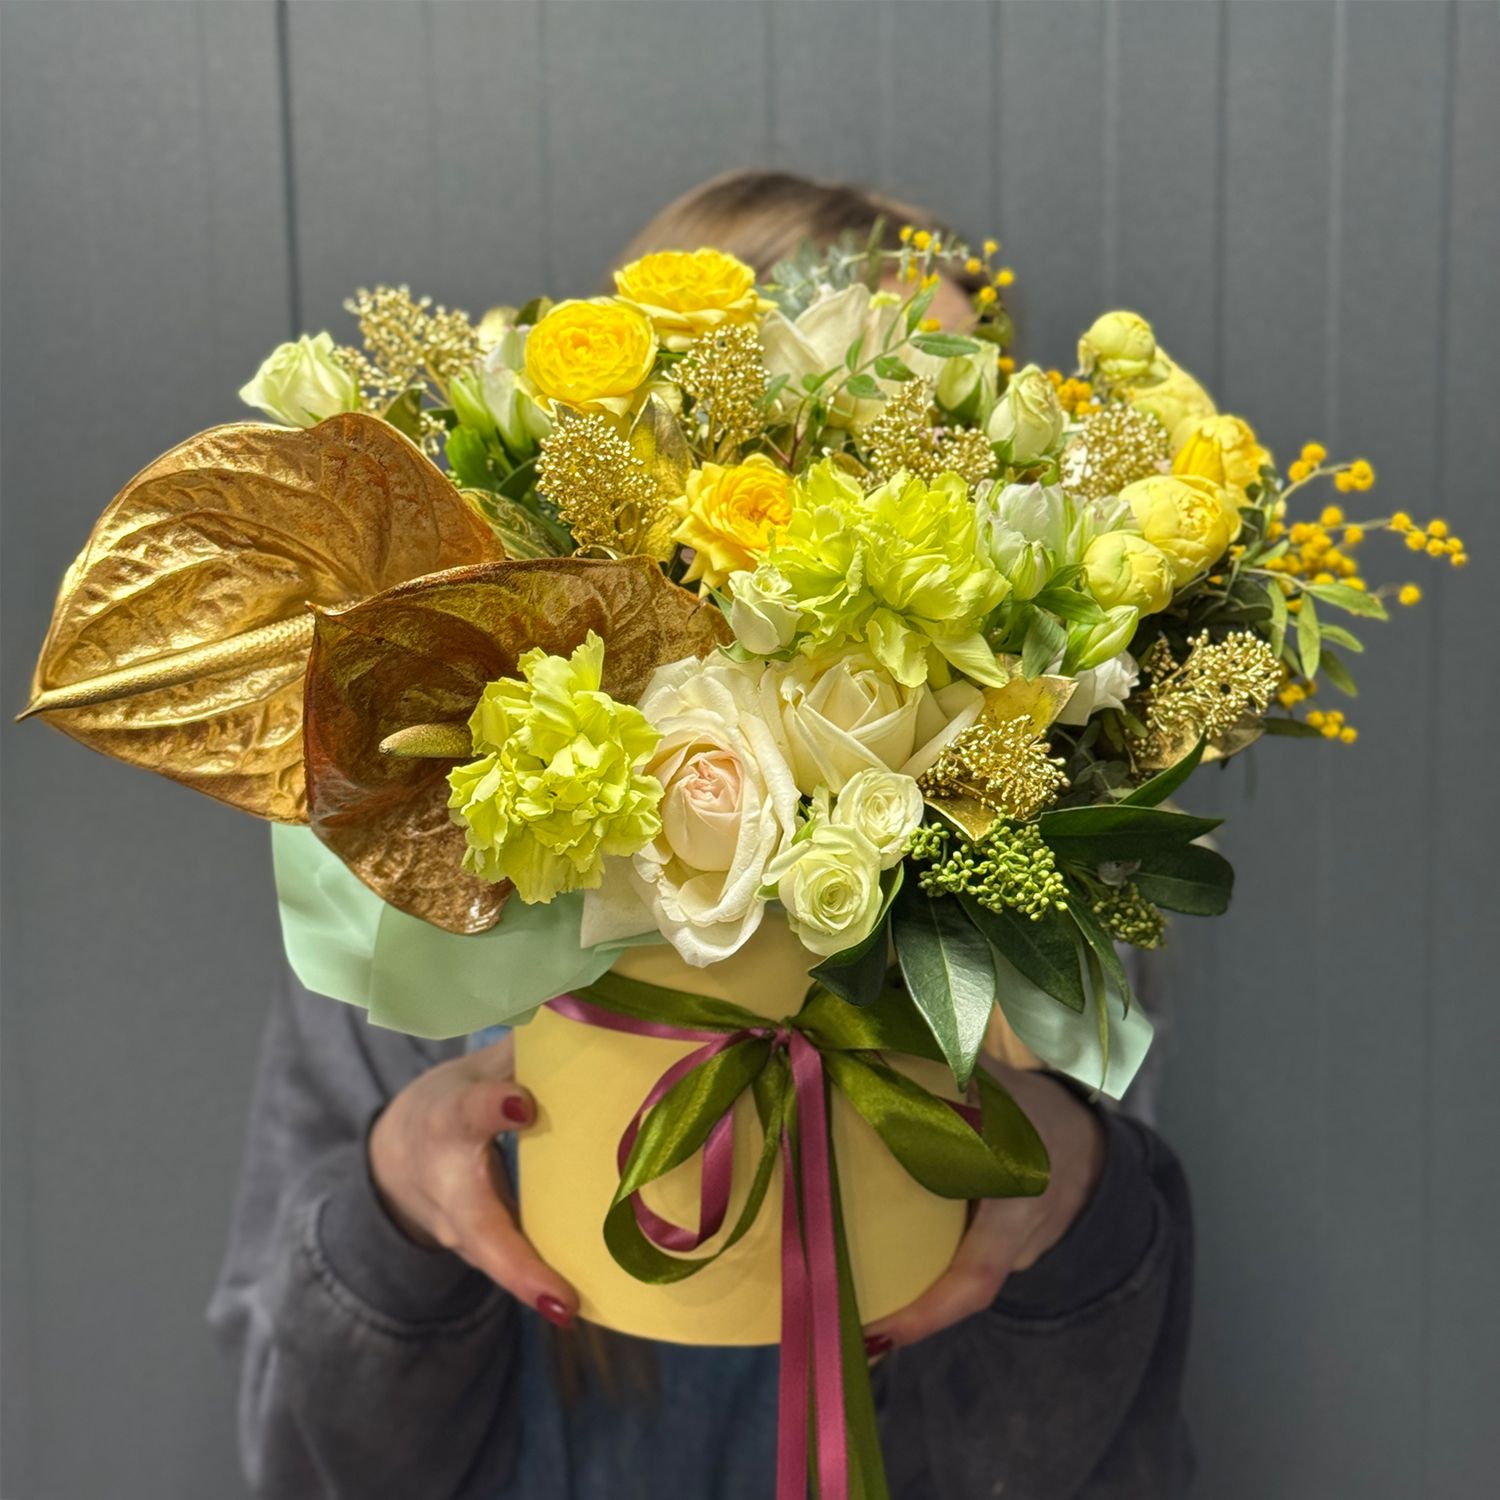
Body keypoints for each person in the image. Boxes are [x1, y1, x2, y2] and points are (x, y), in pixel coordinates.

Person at [209, 170, 1194, 1500]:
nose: (938, 497)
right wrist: (393, 1214)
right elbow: (300, 1453)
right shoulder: (417, 896)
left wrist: (1081, 1201)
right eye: (871, 440)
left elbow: (1098, 1463)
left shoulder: (1036, 901)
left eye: (971, 446)